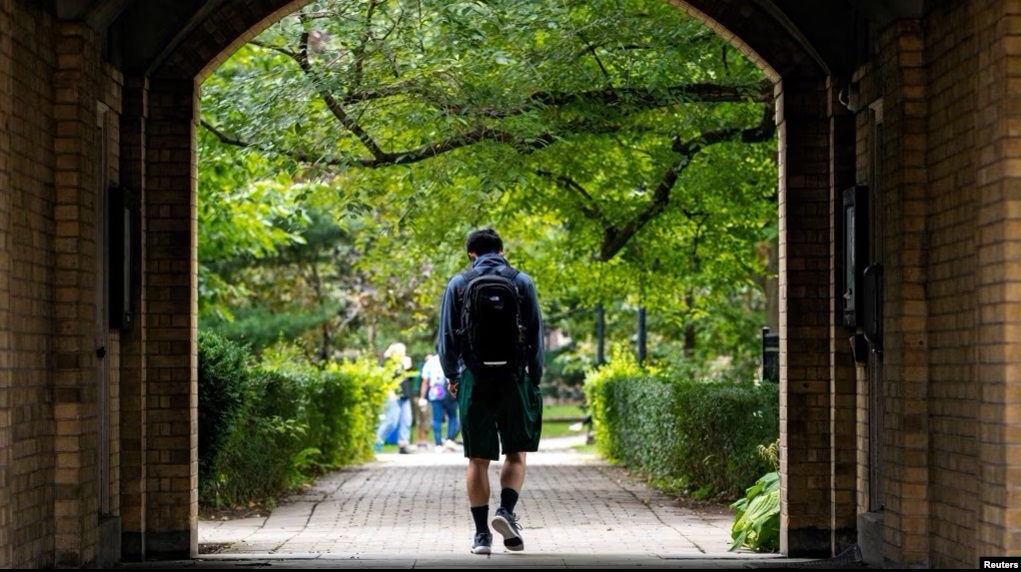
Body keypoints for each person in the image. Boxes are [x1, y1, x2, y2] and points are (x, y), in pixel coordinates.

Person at [437, 227, 544, 555]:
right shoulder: (521, 281)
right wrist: (534, 379)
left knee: (477, 459)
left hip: (475, 378)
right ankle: (506, 511)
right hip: (513, 377)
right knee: (516, 452)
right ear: (501, 249)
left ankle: (482, 536)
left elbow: (446, 337)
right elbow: (537, 333)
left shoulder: (458, 283)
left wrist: (452, 376)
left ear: (471, 253)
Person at [375, 342, 414, 454]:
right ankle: (377, 442)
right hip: (393, 396)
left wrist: (407, 367)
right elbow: (385, 379)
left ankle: (403, 444)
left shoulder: (405, 362)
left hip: (404, 395)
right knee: (391, 421)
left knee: (406, 420)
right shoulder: (388, 363)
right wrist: (389, 392)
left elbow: (410, 378)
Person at [420, 352, 460, 452]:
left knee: (436, 418)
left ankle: (438, 444)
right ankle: (450, 439)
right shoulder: (453, 358)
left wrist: (422, 397)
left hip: (435, 393)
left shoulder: (430, 362)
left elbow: (425, 381)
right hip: (450, 391)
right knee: (453, 416)